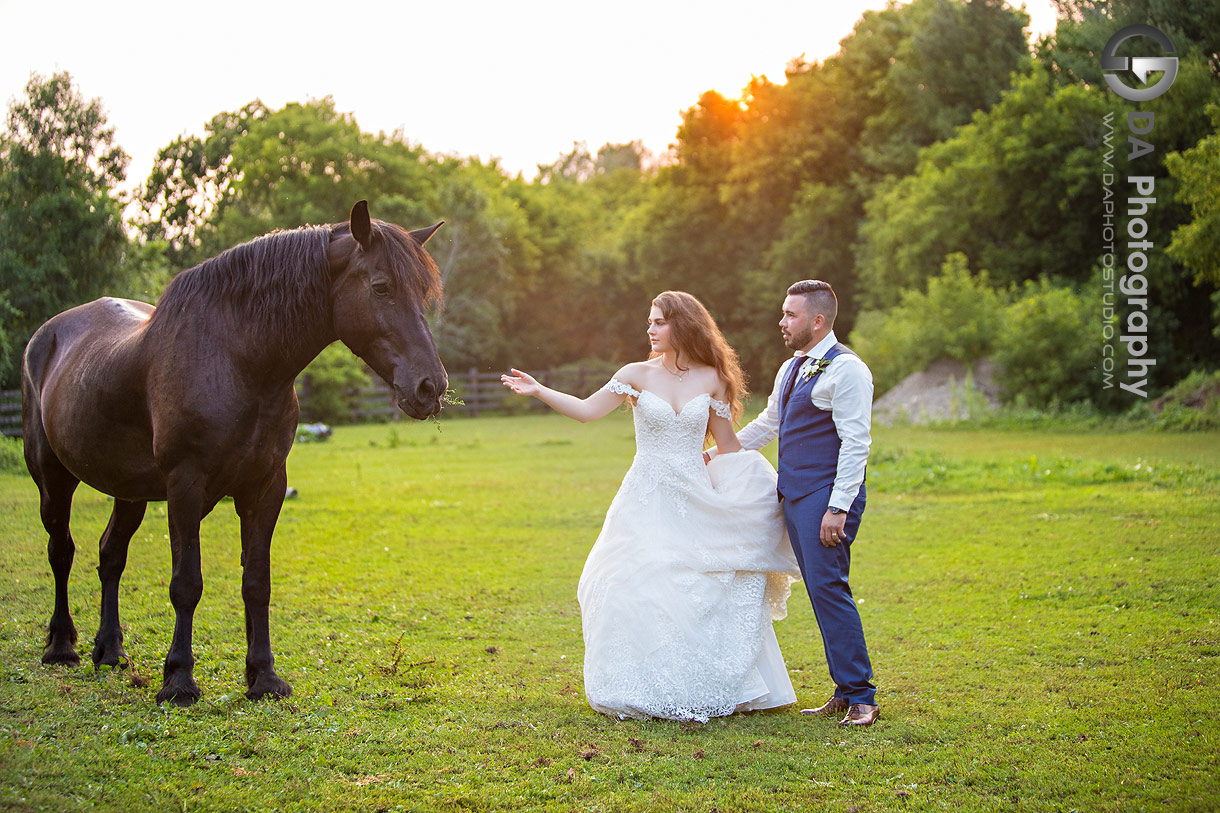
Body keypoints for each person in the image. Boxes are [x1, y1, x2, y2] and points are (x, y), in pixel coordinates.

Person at [501, 291, 800, 723]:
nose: (650, 329)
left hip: (694, 493)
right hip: (646, 493)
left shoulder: (712, 377)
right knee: (626, 580)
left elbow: (728, 444)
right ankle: (640, 683)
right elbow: (587, 412)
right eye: (650, 322)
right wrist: (538, 389)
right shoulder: (635, 374)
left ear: (682, 325)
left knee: (701, 584)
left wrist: (756, 486)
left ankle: (703, 683)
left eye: (658, 322)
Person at [706, 279, 879, 727]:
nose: (781, 322)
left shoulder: (848, 371)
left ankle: (861, 696)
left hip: (826, 500)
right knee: (822, 594)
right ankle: (845, 690)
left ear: (817, 321)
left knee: (829, 590)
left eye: (790, 315)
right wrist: (716, 452)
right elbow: (769, 425)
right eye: (783, 313)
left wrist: (837, 508)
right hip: (796, 495)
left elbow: (856, 444)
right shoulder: (791, 369)